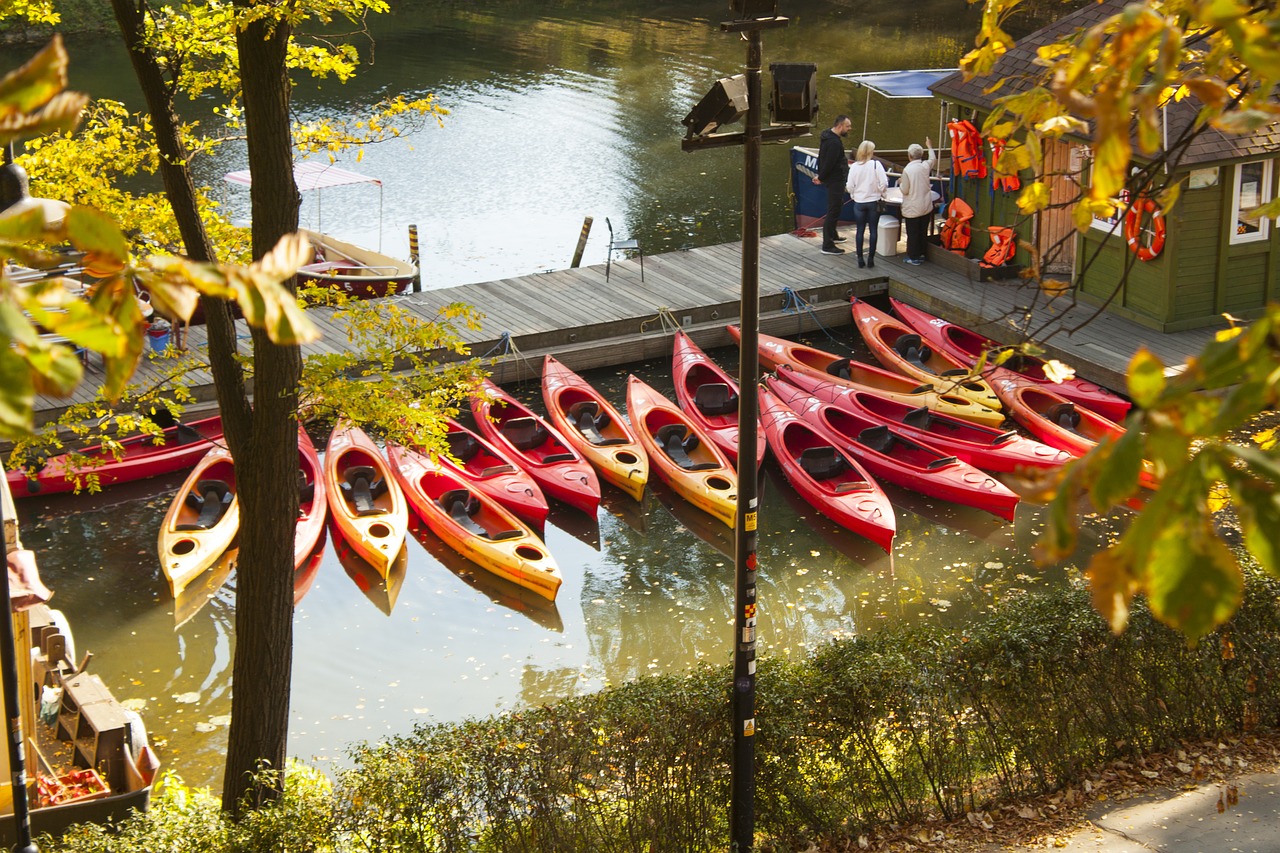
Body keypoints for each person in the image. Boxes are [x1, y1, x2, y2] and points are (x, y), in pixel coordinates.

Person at [845, 140, 888, 268]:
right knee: (873, 230)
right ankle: (870, 259)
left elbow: (849, 186)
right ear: (871, 151)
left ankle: (859, 258)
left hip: (859, 202)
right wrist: (880, 192)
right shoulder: (876, 164)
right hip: (873, 201)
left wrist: (854, 195)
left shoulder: (854, 167)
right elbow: (884, 183)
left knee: (860, 230)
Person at [812, 115, 852, 255]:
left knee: (837, 205)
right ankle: (827, 244)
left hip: (835, 179)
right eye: (847, 126)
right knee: (833, 210)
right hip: (835, 180)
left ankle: (833, 235)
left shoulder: (827, 136)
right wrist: (821, 177)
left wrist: (820, 174)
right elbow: (828, 162)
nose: (849, 129)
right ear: (840, 126)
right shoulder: (834, 143)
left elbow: (822, 157)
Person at [897, 137, 936, 266]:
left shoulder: (907, 170)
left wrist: (901, 183)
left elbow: (905, 190)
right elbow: (933, 159)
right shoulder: (925, 166)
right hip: (925, 206)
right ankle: (922, 253)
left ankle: (913, 257)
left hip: (913, 207)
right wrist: (930, 146)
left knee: (912, 233)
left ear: (909, 156)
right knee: (922, 231)